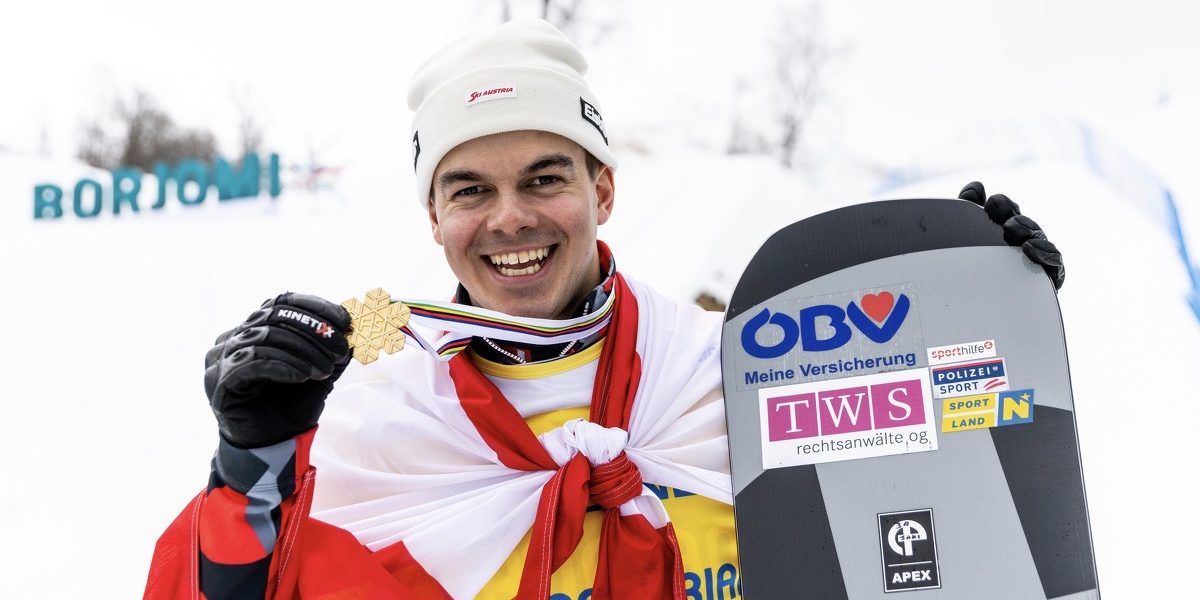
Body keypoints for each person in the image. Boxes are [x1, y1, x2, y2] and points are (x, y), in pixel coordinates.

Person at [143, 18, 1065, 600]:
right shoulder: (375, 424)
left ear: (604, 191)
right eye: (468, 190)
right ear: (433, 216)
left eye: (545, 178)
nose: (509, 218)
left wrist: (982, 295)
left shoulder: (735, 369)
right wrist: (251, 461)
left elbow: (944, 465)